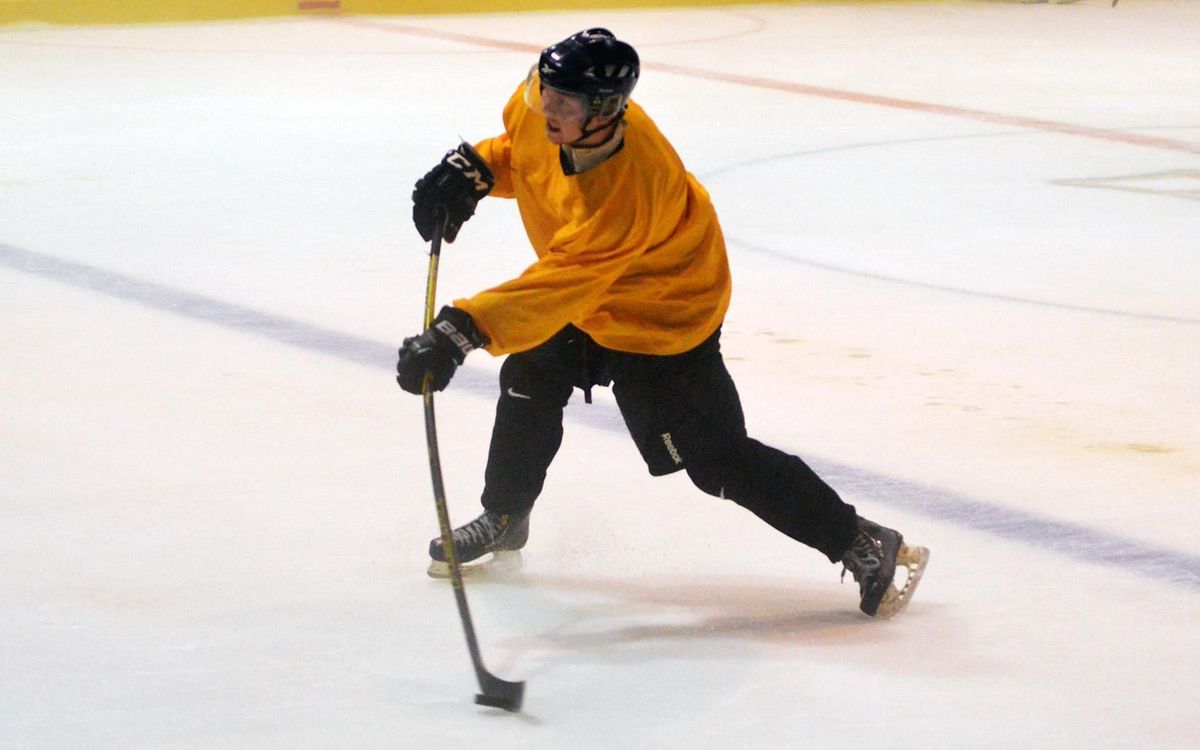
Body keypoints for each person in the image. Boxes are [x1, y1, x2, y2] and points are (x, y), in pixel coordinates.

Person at [396, 29, 928, 618]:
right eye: (545, 91)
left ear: (603, 111)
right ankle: (505, 515)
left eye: (564, 104)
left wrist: (462, 329)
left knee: (715, 461)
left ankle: (856, 538)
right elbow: (524, 154)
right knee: (529, 377)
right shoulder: (548, 109)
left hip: (663, 315)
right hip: (594, 297)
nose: (546, 107)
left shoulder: (632, 184)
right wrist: (474, 170)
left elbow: (564, 280)